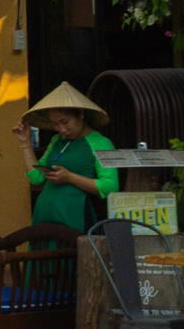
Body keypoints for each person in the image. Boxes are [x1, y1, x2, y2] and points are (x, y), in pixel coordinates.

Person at [11, 82, 119, 233]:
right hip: (44, 215)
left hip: (75, 217)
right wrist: (25, 142)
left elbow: (110, 186)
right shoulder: (57, 141)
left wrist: (70, 177)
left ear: (80, 114)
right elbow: (36, 177)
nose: (61, 129)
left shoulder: (101, 143)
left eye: (65, 122)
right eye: (55, 124)